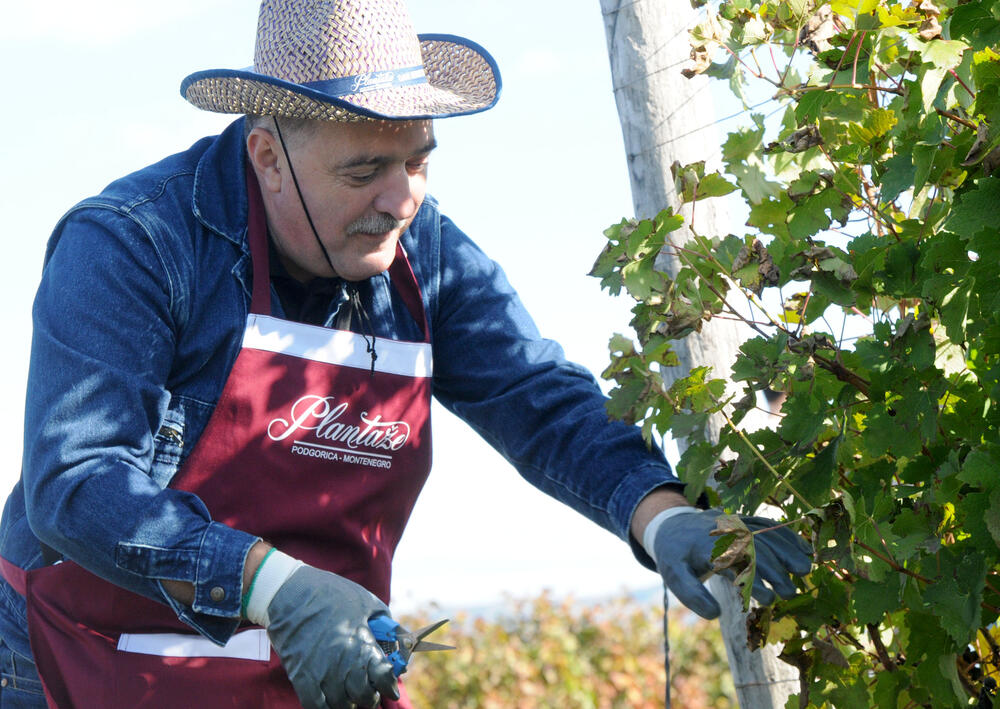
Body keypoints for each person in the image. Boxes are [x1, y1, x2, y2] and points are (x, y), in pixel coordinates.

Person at [0, 1, 811, 707]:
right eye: (366, 170)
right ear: (268, 155)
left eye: (419, 161)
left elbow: (536, 393)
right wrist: (273, 586)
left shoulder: (422, 252)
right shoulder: (136, 244)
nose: (403, 199)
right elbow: (78, 482)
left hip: (318, 654)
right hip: (81, 655)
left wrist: (657, 514)